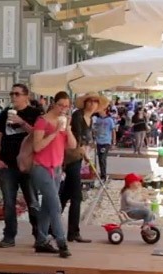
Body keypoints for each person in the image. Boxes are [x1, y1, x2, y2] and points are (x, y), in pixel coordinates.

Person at [0, 83, 41, 248]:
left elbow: (38, 135)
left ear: (26, 96)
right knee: (8, 202)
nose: (13, 97)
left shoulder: (35, 113)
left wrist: (21, 122)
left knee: (33, 201)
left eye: (17, 94)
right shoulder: (4, 114)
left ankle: (39, 235)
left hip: (28, 165)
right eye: (11, 94)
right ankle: (9, 236)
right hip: (7, 164)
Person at [31, 91, 77, 258]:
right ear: (53, 103)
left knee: (47, 206)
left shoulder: (63, 122)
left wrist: (68, 129)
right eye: (61, 105)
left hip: (57, 168)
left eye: (67, 106)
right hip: (41, 168)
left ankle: (41, 240)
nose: (63, 109)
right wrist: (55, 132)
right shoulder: (42, 121)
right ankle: (62, 242)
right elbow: (37, 147)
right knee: (55, 205)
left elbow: (72, 145)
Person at [61, 92, 108, 243]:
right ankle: (73, 232)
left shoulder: (90, 119)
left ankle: (50, 226)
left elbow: (85, 141)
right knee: (76, 197)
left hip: (79, 157)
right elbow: (76, 137)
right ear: (85, 102)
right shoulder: (78, 116)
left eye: (95, 101)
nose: (92, 103)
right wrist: (82, 151)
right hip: (71, 157)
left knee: (65, 195)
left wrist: (86, 155)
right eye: (90, 101)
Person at [93, 108, 116, 180]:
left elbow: (113, 131)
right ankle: (102, 174)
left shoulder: (109, 120)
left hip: (106, 142)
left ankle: (103, 175)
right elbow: (95, 130)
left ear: (105, 110)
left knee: (103, 158)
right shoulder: (97, 119)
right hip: (98, 141)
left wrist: (113, 142)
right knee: (100, 158)